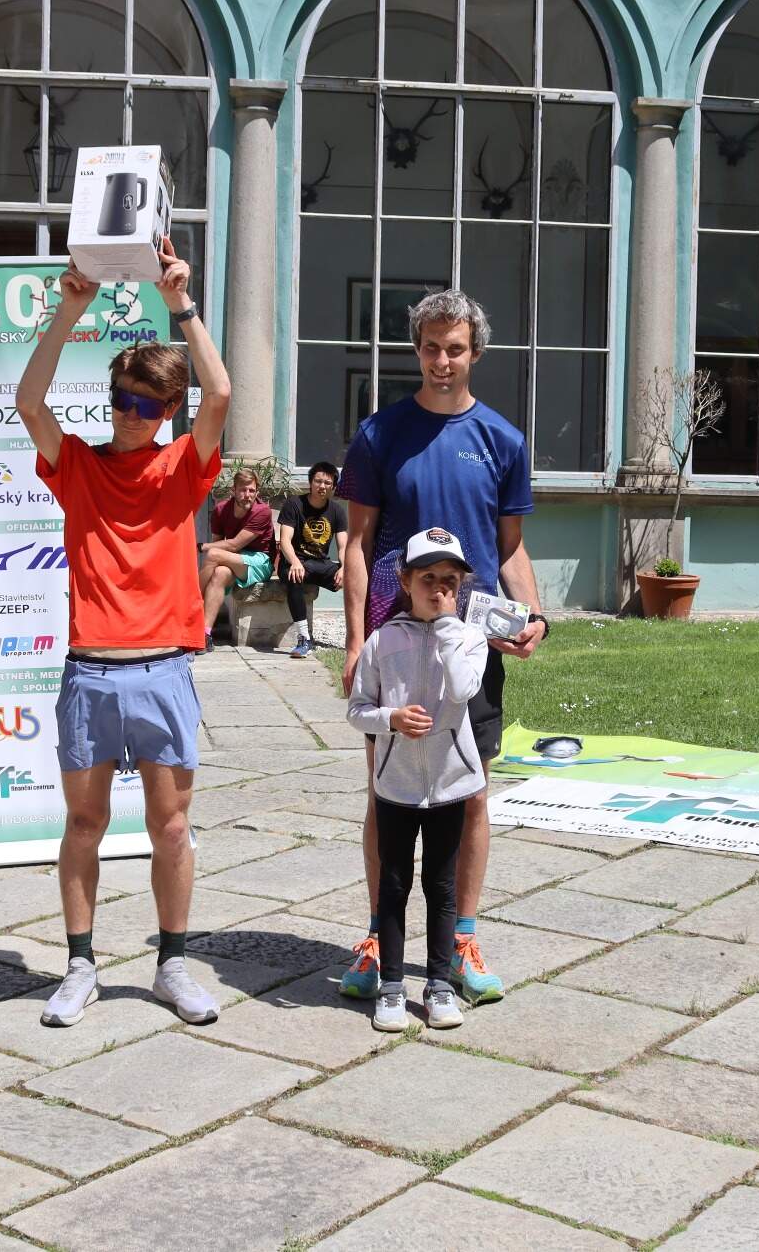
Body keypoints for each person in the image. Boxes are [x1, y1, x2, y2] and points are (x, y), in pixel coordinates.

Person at [20, 238, 230, 1029]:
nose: (129, 415)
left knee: (171, 826)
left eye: (145, 406)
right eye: (120, 400)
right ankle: (80, 966)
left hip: (164, 669)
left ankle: (172, 963)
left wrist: (182, 305)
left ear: (167, 411)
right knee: (84, 825)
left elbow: (221, 392)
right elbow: (30, 403)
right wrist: (68, 311)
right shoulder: (77, 464)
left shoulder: (183, 466)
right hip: (90, 670)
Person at [337, 289, 549, 1009]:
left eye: (454, 349)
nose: (441, 361)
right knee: (386, 792)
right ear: (417, 350)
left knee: (471, 791)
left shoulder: (503, 440)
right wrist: (356, 639)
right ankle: (380, 938)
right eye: (430, 347)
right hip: (394, 644)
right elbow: (359, 542)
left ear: (475, 353)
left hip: (471, 644)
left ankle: (460, 939)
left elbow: (510, 549)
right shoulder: (379, 433)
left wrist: (535, 616)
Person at [346, 528, 489, 1032]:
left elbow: (463, 689)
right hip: (397, 786)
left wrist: (448, 626)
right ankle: (390, 987)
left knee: (442, 886)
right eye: (428, 578)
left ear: (461, 587)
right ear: (405, 581)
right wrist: (390, 718)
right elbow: (356, 710)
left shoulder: (470, 639)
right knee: (394, 884)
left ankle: (439, 984)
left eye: (450, 580)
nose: (439, 589)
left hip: (450, 784)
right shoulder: (382, 641)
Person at [277, 460, 348, 659]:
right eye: (318, 481)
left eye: (327, 483)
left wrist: (344, 568)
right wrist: (294, 562)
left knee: (356, 578)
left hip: (321, 563)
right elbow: (285, 541)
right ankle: (304, 638)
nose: (322, 486)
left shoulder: (337, 511)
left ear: (333, 487)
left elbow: (343, 547)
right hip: (295, 561)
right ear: (310, 482)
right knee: (294, 577)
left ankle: (360, 634)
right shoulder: (294, 504)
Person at [197, 469, 274, 647]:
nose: (247, 495)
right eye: (243, 490)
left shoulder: (262, 511)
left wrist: (201, 547)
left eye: (252, 490)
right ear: (233, 490)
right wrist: (212, 549)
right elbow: (218, 543)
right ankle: (204, 633)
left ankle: (190, 605)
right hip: (235, 560)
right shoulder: (221, 510)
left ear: (257, 492)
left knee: (213, 554)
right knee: (220, 573)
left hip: (261, 561)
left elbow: (233, 545)